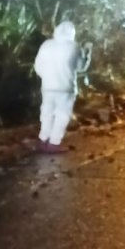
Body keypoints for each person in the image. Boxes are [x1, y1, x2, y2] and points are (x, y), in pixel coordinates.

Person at [33, 21, 92, 154]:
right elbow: (80, 67)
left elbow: (38, 66)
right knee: (62, 115)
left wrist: (47, 78)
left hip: (47, 87)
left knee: (46, 113)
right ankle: (54, 143)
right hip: (66, 87)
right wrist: (87, 53)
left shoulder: (46, 45)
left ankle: (43, 140)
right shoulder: (74, 46)